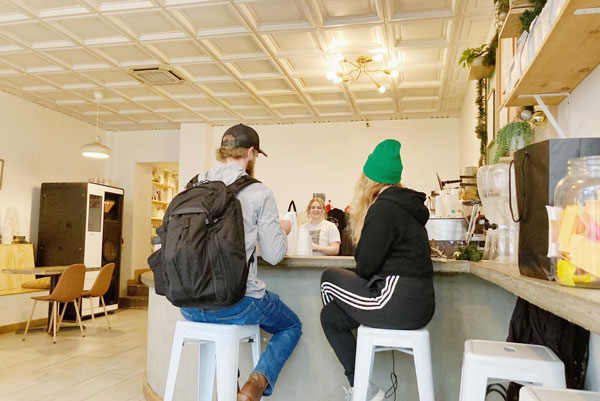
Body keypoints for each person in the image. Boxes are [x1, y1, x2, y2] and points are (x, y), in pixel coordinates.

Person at [179, 123, 302, 401]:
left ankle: (229, 387)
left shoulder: (193, 184)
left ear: (223, 152)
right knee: (291, 325)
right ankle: (255, 384)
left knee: (219, 329)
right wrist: (283, 228)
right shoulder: (259, 192)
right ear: (250, 153)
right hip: (237, 302)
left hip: (188, 304)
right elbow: (273, 255)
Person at [319, 139, 435, 401]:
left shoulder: (383, 208)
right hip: (420, 305)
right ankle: (363, 385)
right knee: (331, 317)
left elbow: (365, 266)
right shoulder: (407, 207)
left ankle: (363, 389)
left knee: (328, 279)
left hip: (394, 300)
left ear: (369, 181)